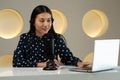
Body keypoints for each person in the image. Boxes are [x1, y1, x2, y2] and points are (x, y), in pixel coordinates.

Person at [13, 5, 90, 68]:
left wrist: (78, 63)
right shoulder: (25, 38)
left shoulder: (56, 38)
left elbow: (68, 58)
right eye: (42, 21)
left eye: (49, 20)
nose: (46, 25)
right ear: (33, 22)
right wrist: (43, 64)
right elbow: (17, 62)